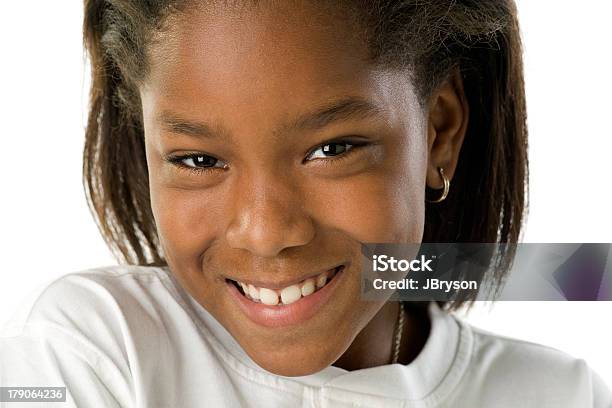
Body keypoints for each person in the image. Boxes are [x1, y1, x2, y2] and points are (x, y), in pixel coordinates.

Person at [1, 0, 610, 407]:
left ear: (438, 131)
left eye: (333, 149)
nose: (266, 233)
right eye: (198, 160)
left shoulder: (560, 392)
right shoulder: (89, 351)